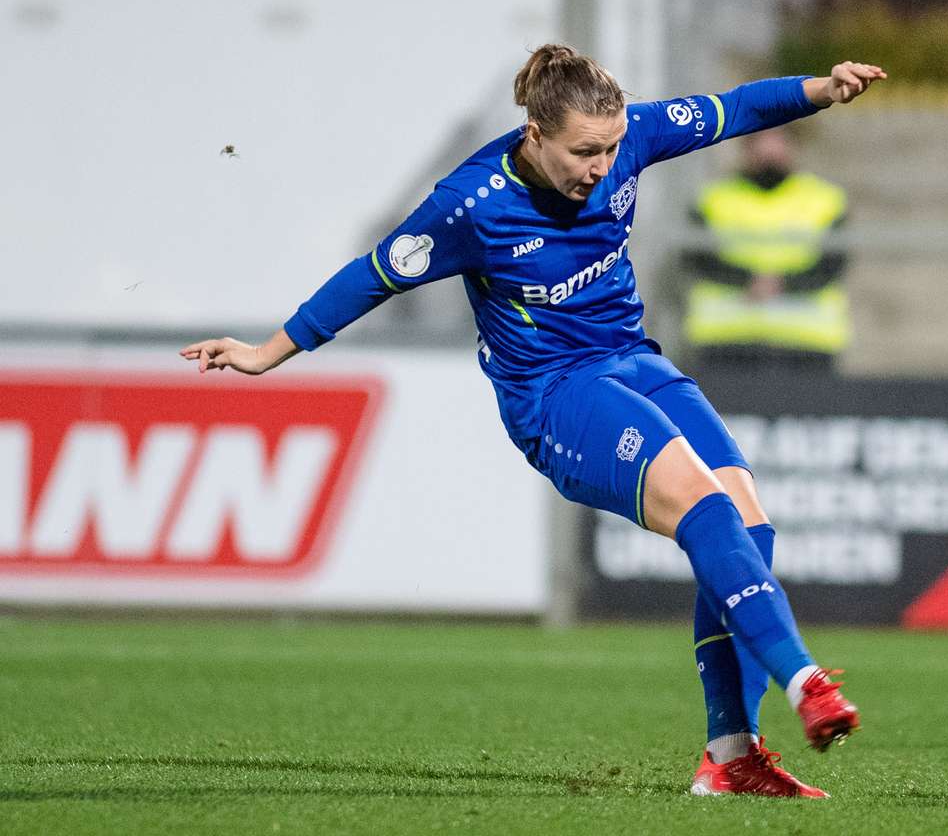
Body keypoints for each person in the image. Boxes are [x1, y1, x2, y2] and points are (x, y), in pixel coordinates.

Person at [181, 46, 888, 798]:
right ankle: (806, 682)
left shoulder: (629, 138)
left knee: (750, 529)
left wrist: (822, 88)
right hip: (555, 396)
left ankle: (732, 758)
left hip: (632, 361)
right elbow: (372, 276)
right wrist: (268, 352)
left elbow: (736, 110)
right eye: (584, 151)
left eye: (612, 148)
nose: (601, 165)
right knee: (705, 506)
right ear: (535, 133)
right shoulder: (472, 204)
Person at [682, 126, 849, 374]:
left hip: (806, 343)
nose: (769, 150)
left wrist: (780, 284)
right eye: (760, 140)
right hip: (726, 340)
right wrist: (750, 281)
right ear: (745, 146)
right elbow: (699, 259)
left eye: (778, 140)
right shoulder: (712, 199)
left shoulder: (825, 200)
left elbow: (832, 265)